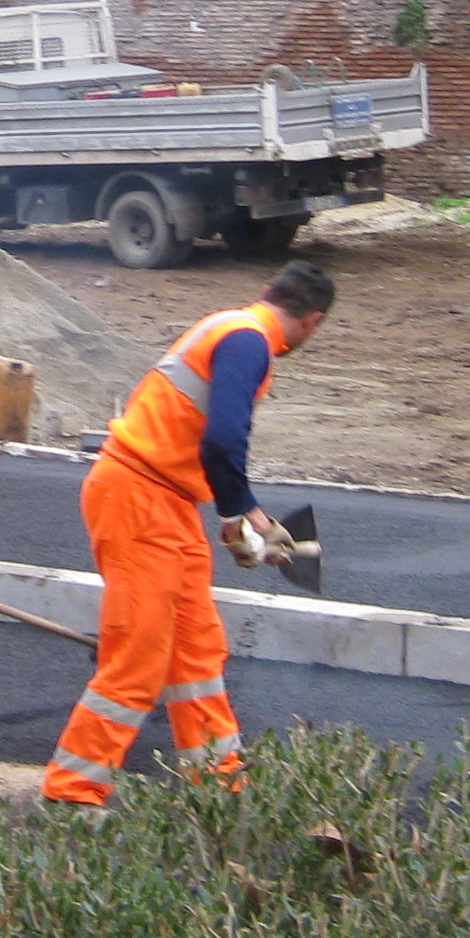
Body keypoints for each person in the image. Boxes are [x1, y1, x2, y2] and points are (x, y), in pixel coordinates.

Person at [44, 258, 338, 809]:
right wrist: (240, 516)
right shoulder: (250, 342)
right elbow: (224, 440)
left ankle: (221, 788)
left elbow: (209, 442)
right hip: (137, 495)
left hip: (166, 498)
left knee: (196, 651)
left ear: (266, 290)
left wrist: (242, 517)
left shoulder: (228, 326)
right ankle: (73, 794)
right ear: (312, 321)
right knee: (139, 656)